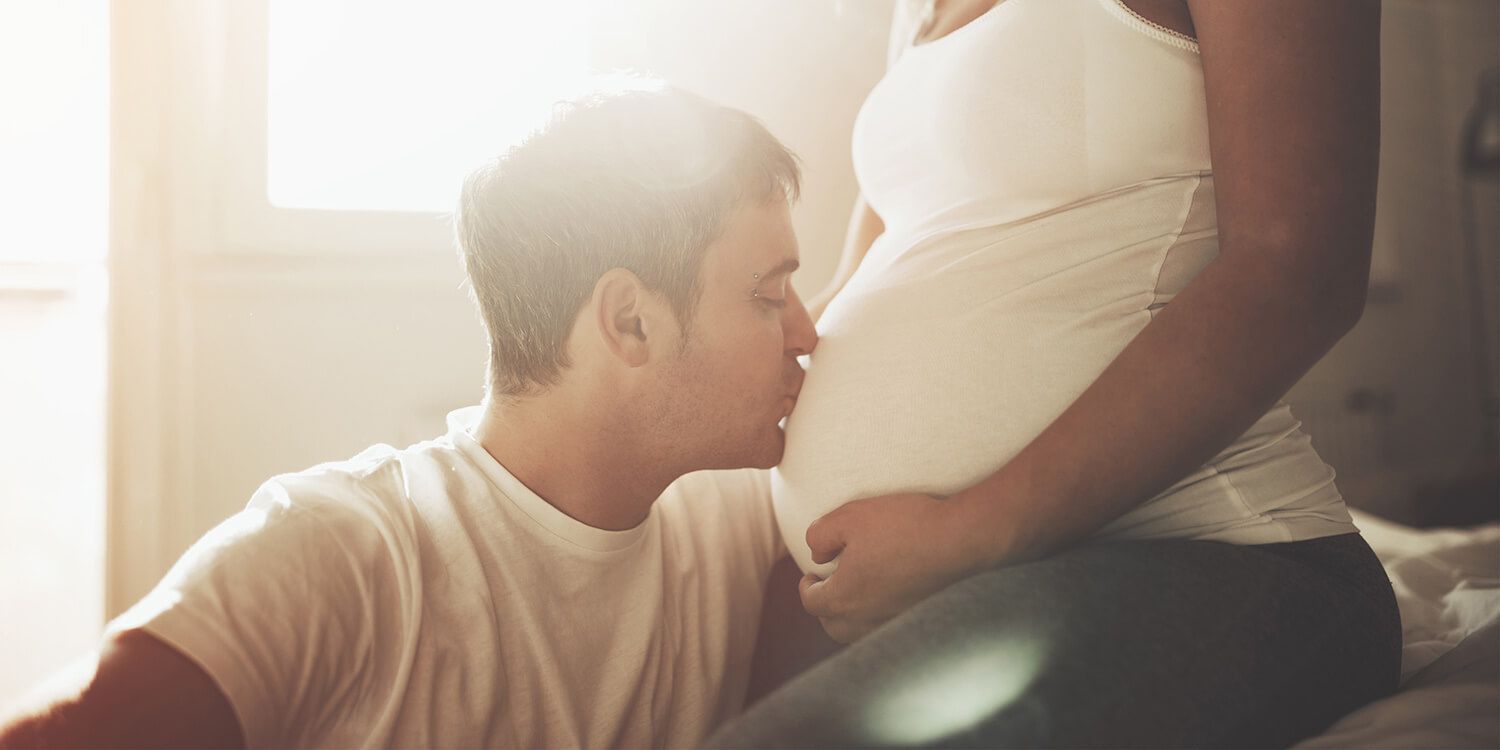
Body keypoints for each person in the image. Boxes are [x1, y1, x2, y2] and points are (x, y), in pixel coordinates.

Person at [0, 82, 818, 748]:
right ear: (630, 320)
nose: (807, 330)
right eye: (768, 295)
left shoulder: (732, 515)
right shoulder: (341, 554)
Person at [710, 0, 1402, 747]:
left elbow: (1297, 275)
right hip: (929, 580)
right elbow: (875, 267)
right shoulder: (917, 10)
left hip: (1207, 550)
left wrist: (968, 533)